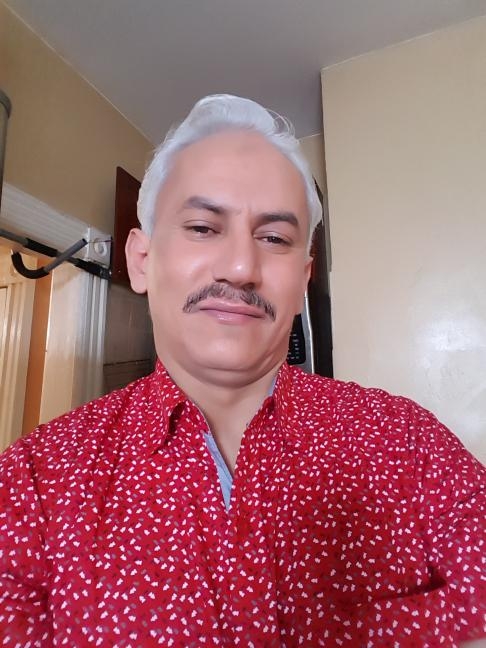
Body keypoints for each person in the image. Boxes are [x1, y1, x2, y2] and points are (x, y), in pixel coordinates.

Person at [0, 94, 484, 647]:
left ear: (302, 281)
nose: (240, 267)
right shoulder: (32, 484)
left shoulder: (406, 442)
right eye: (203, 227)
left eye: (274, 238)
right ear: (141, 260)